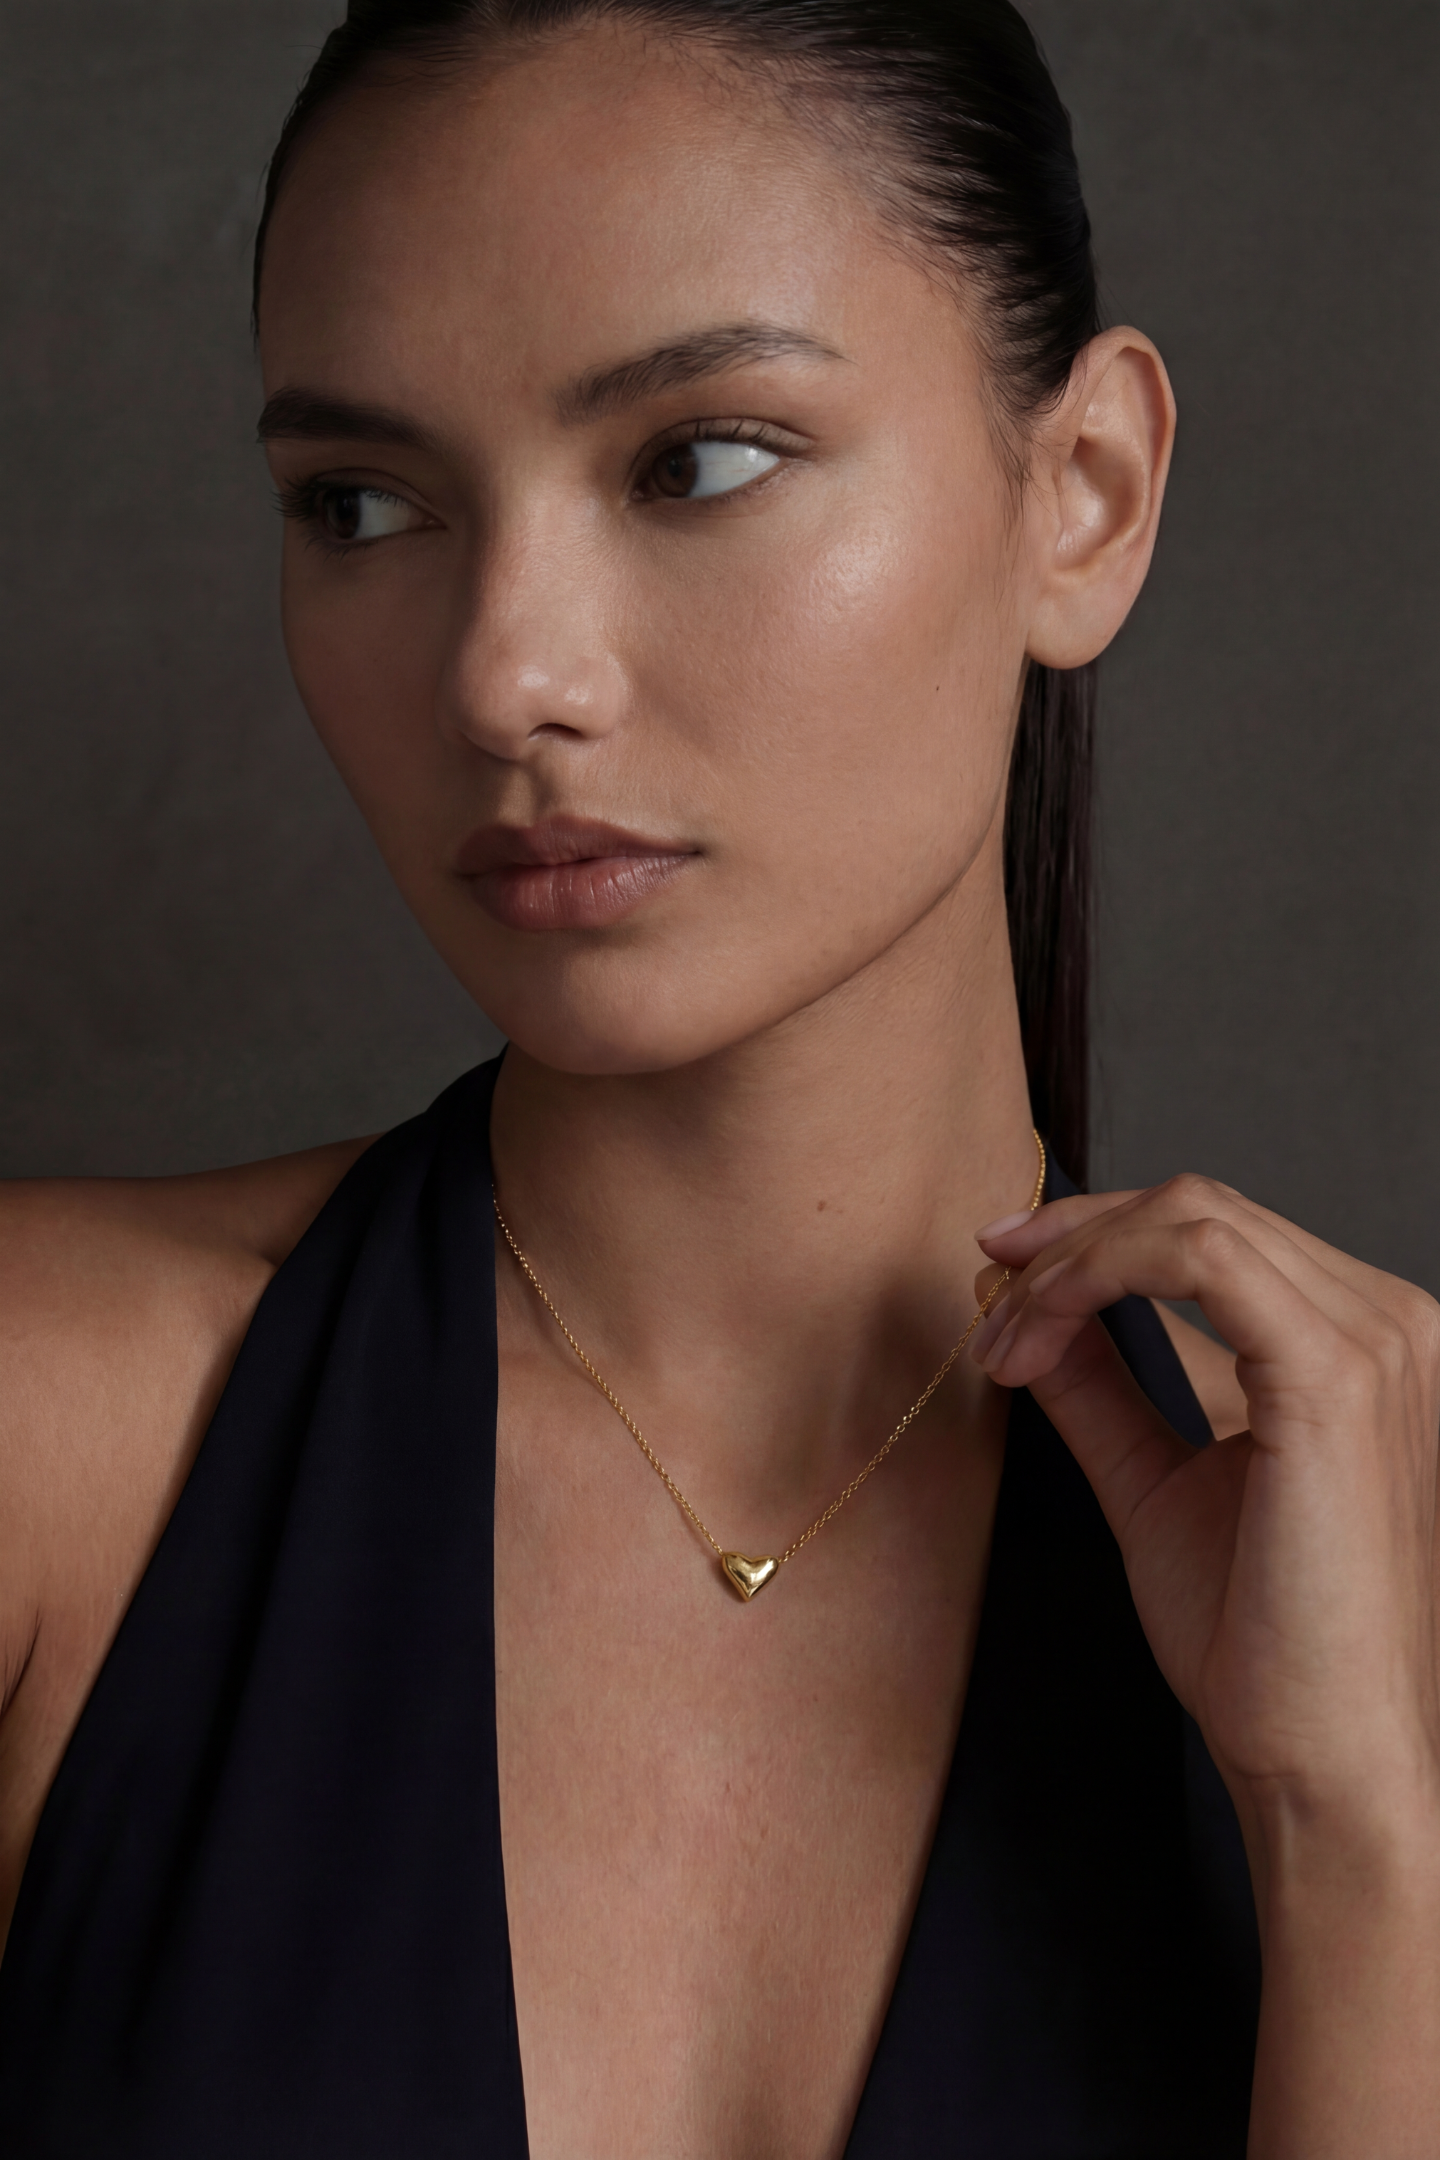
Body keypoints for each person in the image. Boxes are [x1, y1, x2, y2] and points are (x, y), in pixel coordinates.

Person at [1, 1, 1437, 2152]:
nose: (507, 673)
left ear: (1084, 499)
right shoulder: (49, 1432)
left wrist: (1357, 1846)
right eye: (364, 504)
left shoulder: (1372, 1573)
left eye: (698, 461)